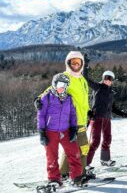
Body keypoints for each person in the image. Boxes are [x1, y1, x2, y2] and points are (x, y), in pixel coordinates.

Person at [34, 51, 91, 179]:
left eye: (78, 62)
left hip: (81, 118)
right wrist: (38, 98)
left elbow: (83, 99)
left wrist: (88, 111)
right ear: (68, 63)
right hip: (70, 120)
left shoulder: (82, 79)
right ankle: (80, 174)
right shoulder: (66, 76)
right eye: (73, 62)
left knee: (72, 148)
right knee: (82, 147)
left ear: (82, 64)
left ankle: (64, 172)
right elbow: (52, 89)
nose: (75, 65)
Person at [83, 65, 127, 167]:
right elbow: (86, 80)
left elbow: (113, 108)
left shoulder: (111, 92)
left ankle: (105, 159)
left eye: (110, 79)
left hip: (107, 118)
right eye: (106, 78)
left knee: (107, 139)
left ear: (112, 80)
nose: (108, 80)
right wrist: (85, 66)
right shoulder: (97, 87)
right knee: (95, 142)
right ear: (103, 78)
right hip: (97, 117)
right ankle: (86, 164)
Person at [37, 73, 83, 186]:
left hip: (66, 130)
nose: (62, 87)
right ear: (54, 83)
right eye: (59, 84)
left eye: (65, 84)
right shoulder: (46, 97)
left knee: (74, 153)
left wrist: (73, 128)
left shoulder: (69, 98)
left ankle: (76, 177)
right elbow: (41, 115)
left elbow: (73, 114)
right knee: (52, 156)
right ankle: (54, 179)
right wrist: (42, 132)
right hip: (50, 131)